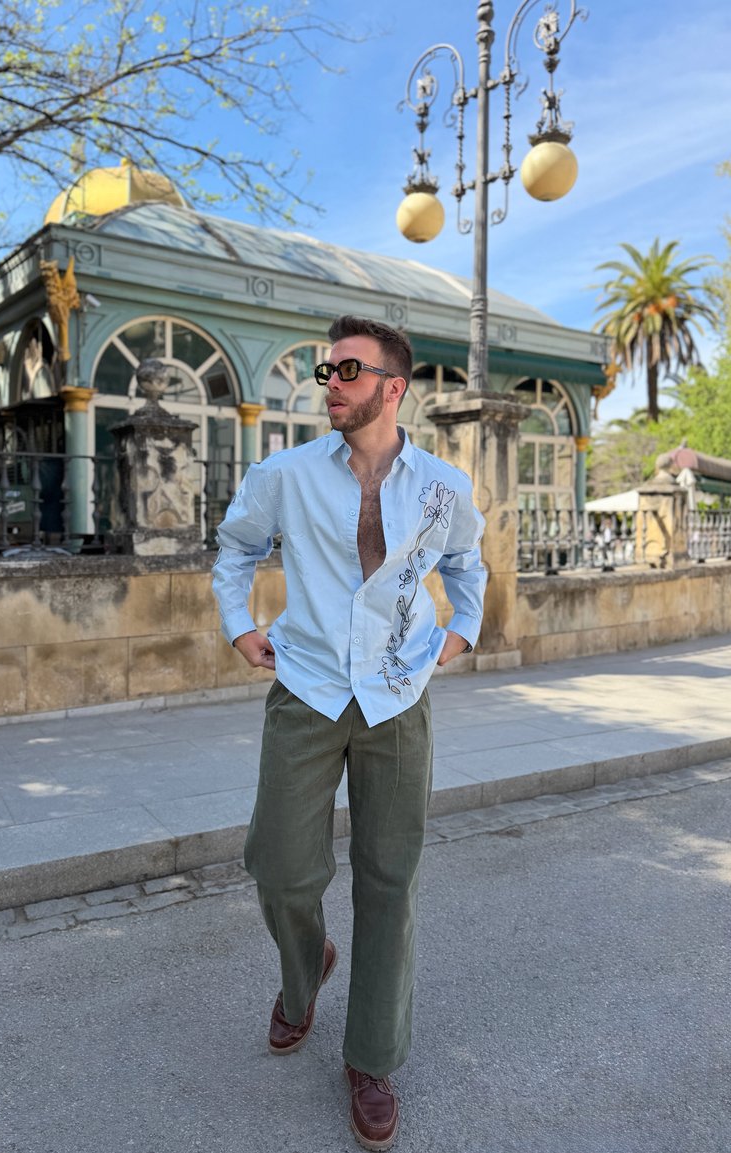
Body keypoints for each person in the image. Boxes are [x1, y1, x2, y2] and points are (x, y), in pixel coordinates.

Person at [212, 315, 486, 1151]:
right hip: (307, 687)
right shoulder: (286, 473)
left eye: (348, 369)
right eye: (326, 368)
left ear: (392, 387)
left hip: (399, 697)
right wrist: (239, 623)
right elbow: (235, 550)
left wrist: (461, 631)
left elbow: (469, 567)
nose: (329, 381)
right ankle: (306, 972)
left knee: (389, 879)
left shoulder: (443, 487)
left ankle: (371, 1058)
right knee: (280, 864)